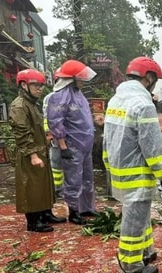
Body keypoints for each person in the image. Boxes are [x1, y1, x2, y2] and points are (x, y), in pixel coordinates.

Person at [103, 56, 162, 273]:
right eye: (155, 81)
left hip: (118, 168)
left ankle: (145, 250)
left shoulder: (116, 100)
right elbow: (152, 147)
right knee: (134, 218)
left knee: (140, 215)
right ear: (149, 77)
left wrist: (107, 162)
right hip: (137, 171)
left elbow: (107, 138)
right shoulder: (143, 105)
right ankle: (131, 264)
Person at [46, 60, 98, 225]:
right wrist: (63, 146)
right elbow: (55, 122)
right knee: (74, 180)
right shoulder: (60, 96)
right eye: (80, 78)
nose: (83, 81)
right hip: (72, 146)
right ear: (72, 79)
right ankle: (74, 212)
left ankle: (86, 207)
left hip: (84, 145)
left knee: (87, 178)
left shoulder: (78, 94)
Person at [9, 69, 59, 232]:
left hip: (40, 150)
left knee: (44, 185)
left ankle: (45, 213)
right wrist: (33, 154)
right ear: (24, 85)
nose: (40, 89)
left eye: (41, 85)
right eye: (36, 85)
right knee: (31, 187)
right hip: (30, 153)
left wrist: (45, 138)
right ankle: (33, 221)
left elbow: (35, 126)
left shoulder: (31, 103)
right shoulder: (20, 106)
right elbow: (22, 132)